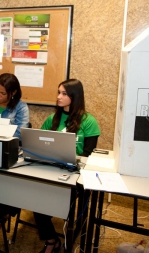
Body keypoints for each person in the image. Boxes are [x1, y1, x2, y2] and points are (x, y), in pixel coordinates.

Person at [34, 78, 100, 253]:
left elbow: (89, 154)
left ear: (74, 96)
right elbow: (39, 144)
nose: (58, 97)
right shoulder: (52, 118)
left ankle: (67, 236)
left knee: (57, 198)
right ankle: (51, 240)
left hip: (74, 174)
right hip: (51, 169)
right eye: (58, 92)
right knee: (33, 196)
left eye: (63, 93)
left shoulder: (89, 121)